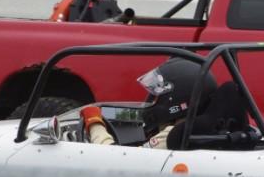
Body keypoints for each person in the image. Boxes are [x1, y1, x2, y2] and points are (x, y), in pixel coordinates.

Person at [80, 58, 218, 149]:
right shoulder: (207, 129)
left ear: (177, 99)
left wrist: (94, 124)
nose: (152, 99)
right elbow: (139, 116)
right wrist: (108, 113)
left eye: (157, 94)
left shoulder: (175, 135)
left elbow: (117, 161)